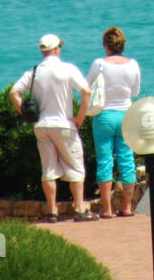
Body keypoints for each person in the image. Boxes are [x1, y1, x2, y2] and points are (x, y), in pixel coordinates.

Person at [10, 33, 97, 222]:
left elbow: (14, 93)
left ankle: (52, 212)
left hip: (42, 126)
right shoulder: (67, 69)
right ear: (57, 49)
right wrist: (80, 118)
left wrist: (26, 115)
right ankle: (79, 209)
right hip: (64, 124)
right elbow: (86, 92)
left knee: (48, 170)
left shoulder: (33, 72)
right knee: (75, 167)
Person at [87, 27, 141, 218]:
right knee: (127, 160)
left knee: (104, 160)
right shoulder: (133, 65)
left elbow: (86, 87)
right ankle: (127, 207)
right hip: (126, 114)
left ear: (106, 45)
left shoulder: (99, 64)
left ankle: (107, 208)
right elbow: (135, 92)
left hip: (104, 115)